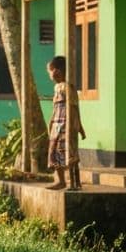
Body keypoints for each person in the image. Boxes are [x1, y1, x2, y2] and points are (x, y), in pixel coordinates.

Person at [47, 55, 86, 190]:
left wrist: (78, 126)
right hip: (57, 124)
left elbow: (74, 107)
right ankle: (61, 181)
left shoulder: (68, 87)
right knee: (55, 151)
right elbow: (55, 108)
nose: (49, 74)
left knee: (70, 153)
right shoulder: (57, 87)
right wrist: (51, 122)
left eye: (50, 70)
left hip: (67, 124)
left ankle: (75, 183)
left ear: (56, 71)